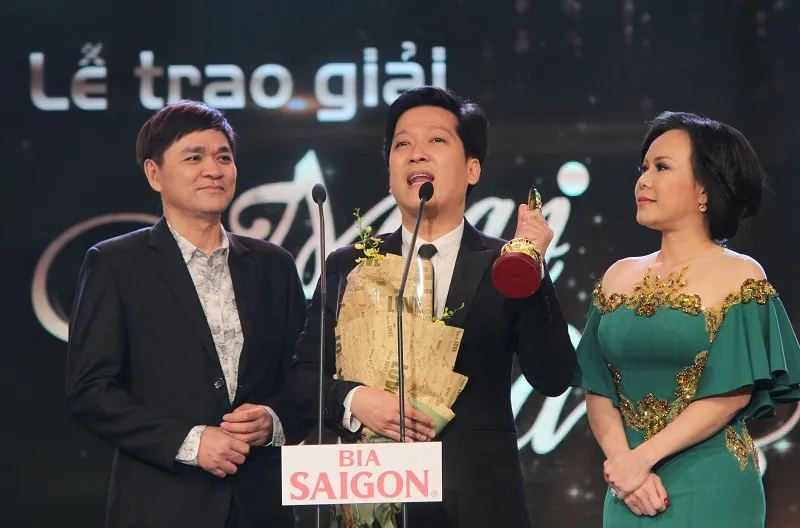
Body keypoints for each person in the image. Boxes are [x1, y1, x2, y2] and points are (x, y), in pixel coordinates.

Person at [290, 86, 577, 527]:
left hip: (476, 506)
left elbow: (554, 377)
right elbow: (302, 379)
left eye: (436, 140)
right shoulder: (349, 265)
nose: (416, 154)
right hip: (372, 499)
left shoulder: (506, 264)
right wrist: (356, 399)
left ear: (472, 168)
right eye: (402, 144)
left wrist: (530, 267)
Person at [65, 101, 308, 528]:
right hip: (163, 505)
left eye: (223, 157)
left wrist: (275, 420)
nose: (213, 169)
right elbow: (91, 392)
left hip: (262, 504)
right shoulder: (116, 263)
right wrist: (189, 442)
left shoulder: (274, 265)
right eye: (194, 157)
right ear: (154, 174)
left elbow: (303, 377)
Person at [574, 111, 800, 526]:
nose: (644, 181)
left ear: (705, 189)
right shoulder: (617, 275)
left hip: (711, 483)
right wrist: (624, 466)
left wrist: (642, 459)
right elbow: (597, 385)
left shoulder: (740, 275)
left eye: (661, 167)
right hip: (627, 490)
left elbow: (732, 392)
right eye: (643, 168)